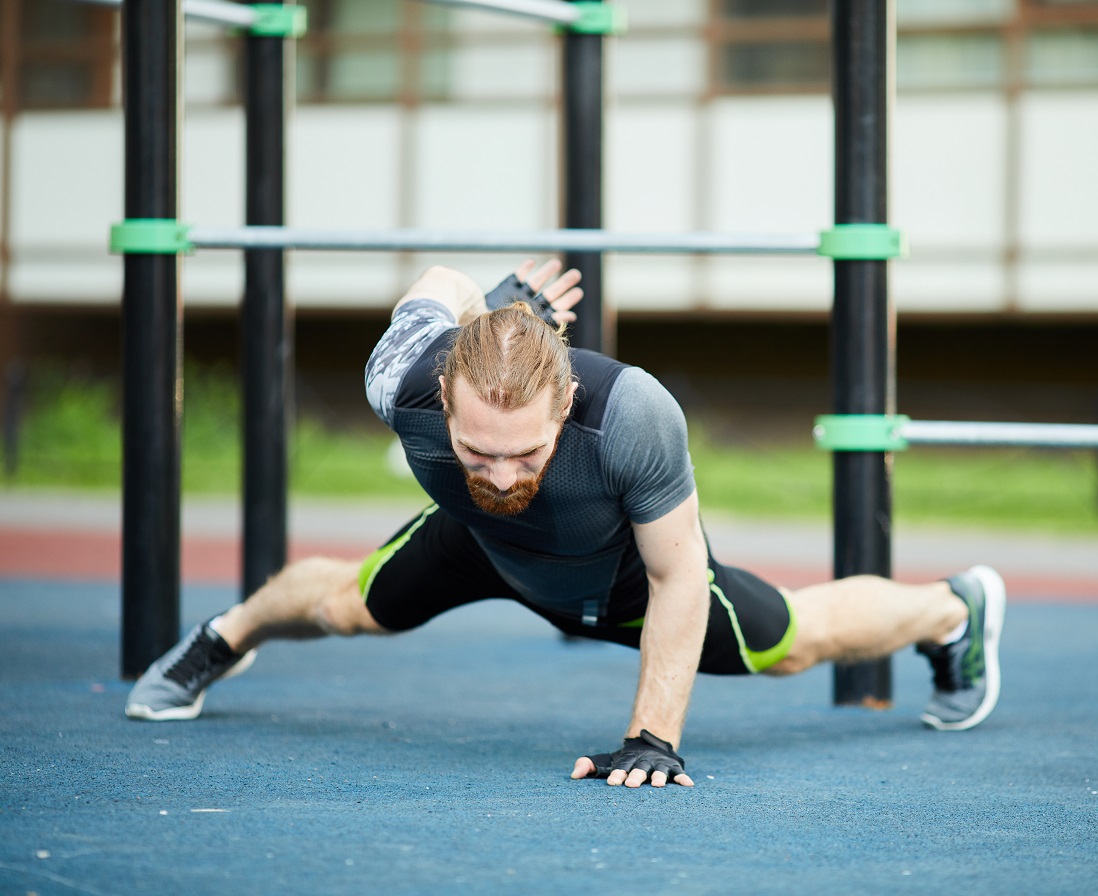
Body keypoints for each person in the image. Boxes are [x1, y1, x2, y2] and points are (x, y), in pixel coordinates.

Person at [125, 259, 1007, 790]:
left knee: (794, 641)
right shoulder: (399, 377)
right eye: (478, 452)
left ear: (567, 402)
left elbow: (676, 577)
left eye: (527, 454)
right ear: (442, 399)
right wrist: (488, 312)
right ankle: (218, 639)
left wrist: (653, 738)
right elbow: (440, 284)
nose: (503, 474)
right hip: (480, 544)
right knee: (348, 601)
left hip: (618, 575)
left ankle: (955, 611)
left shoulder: (634, 416)